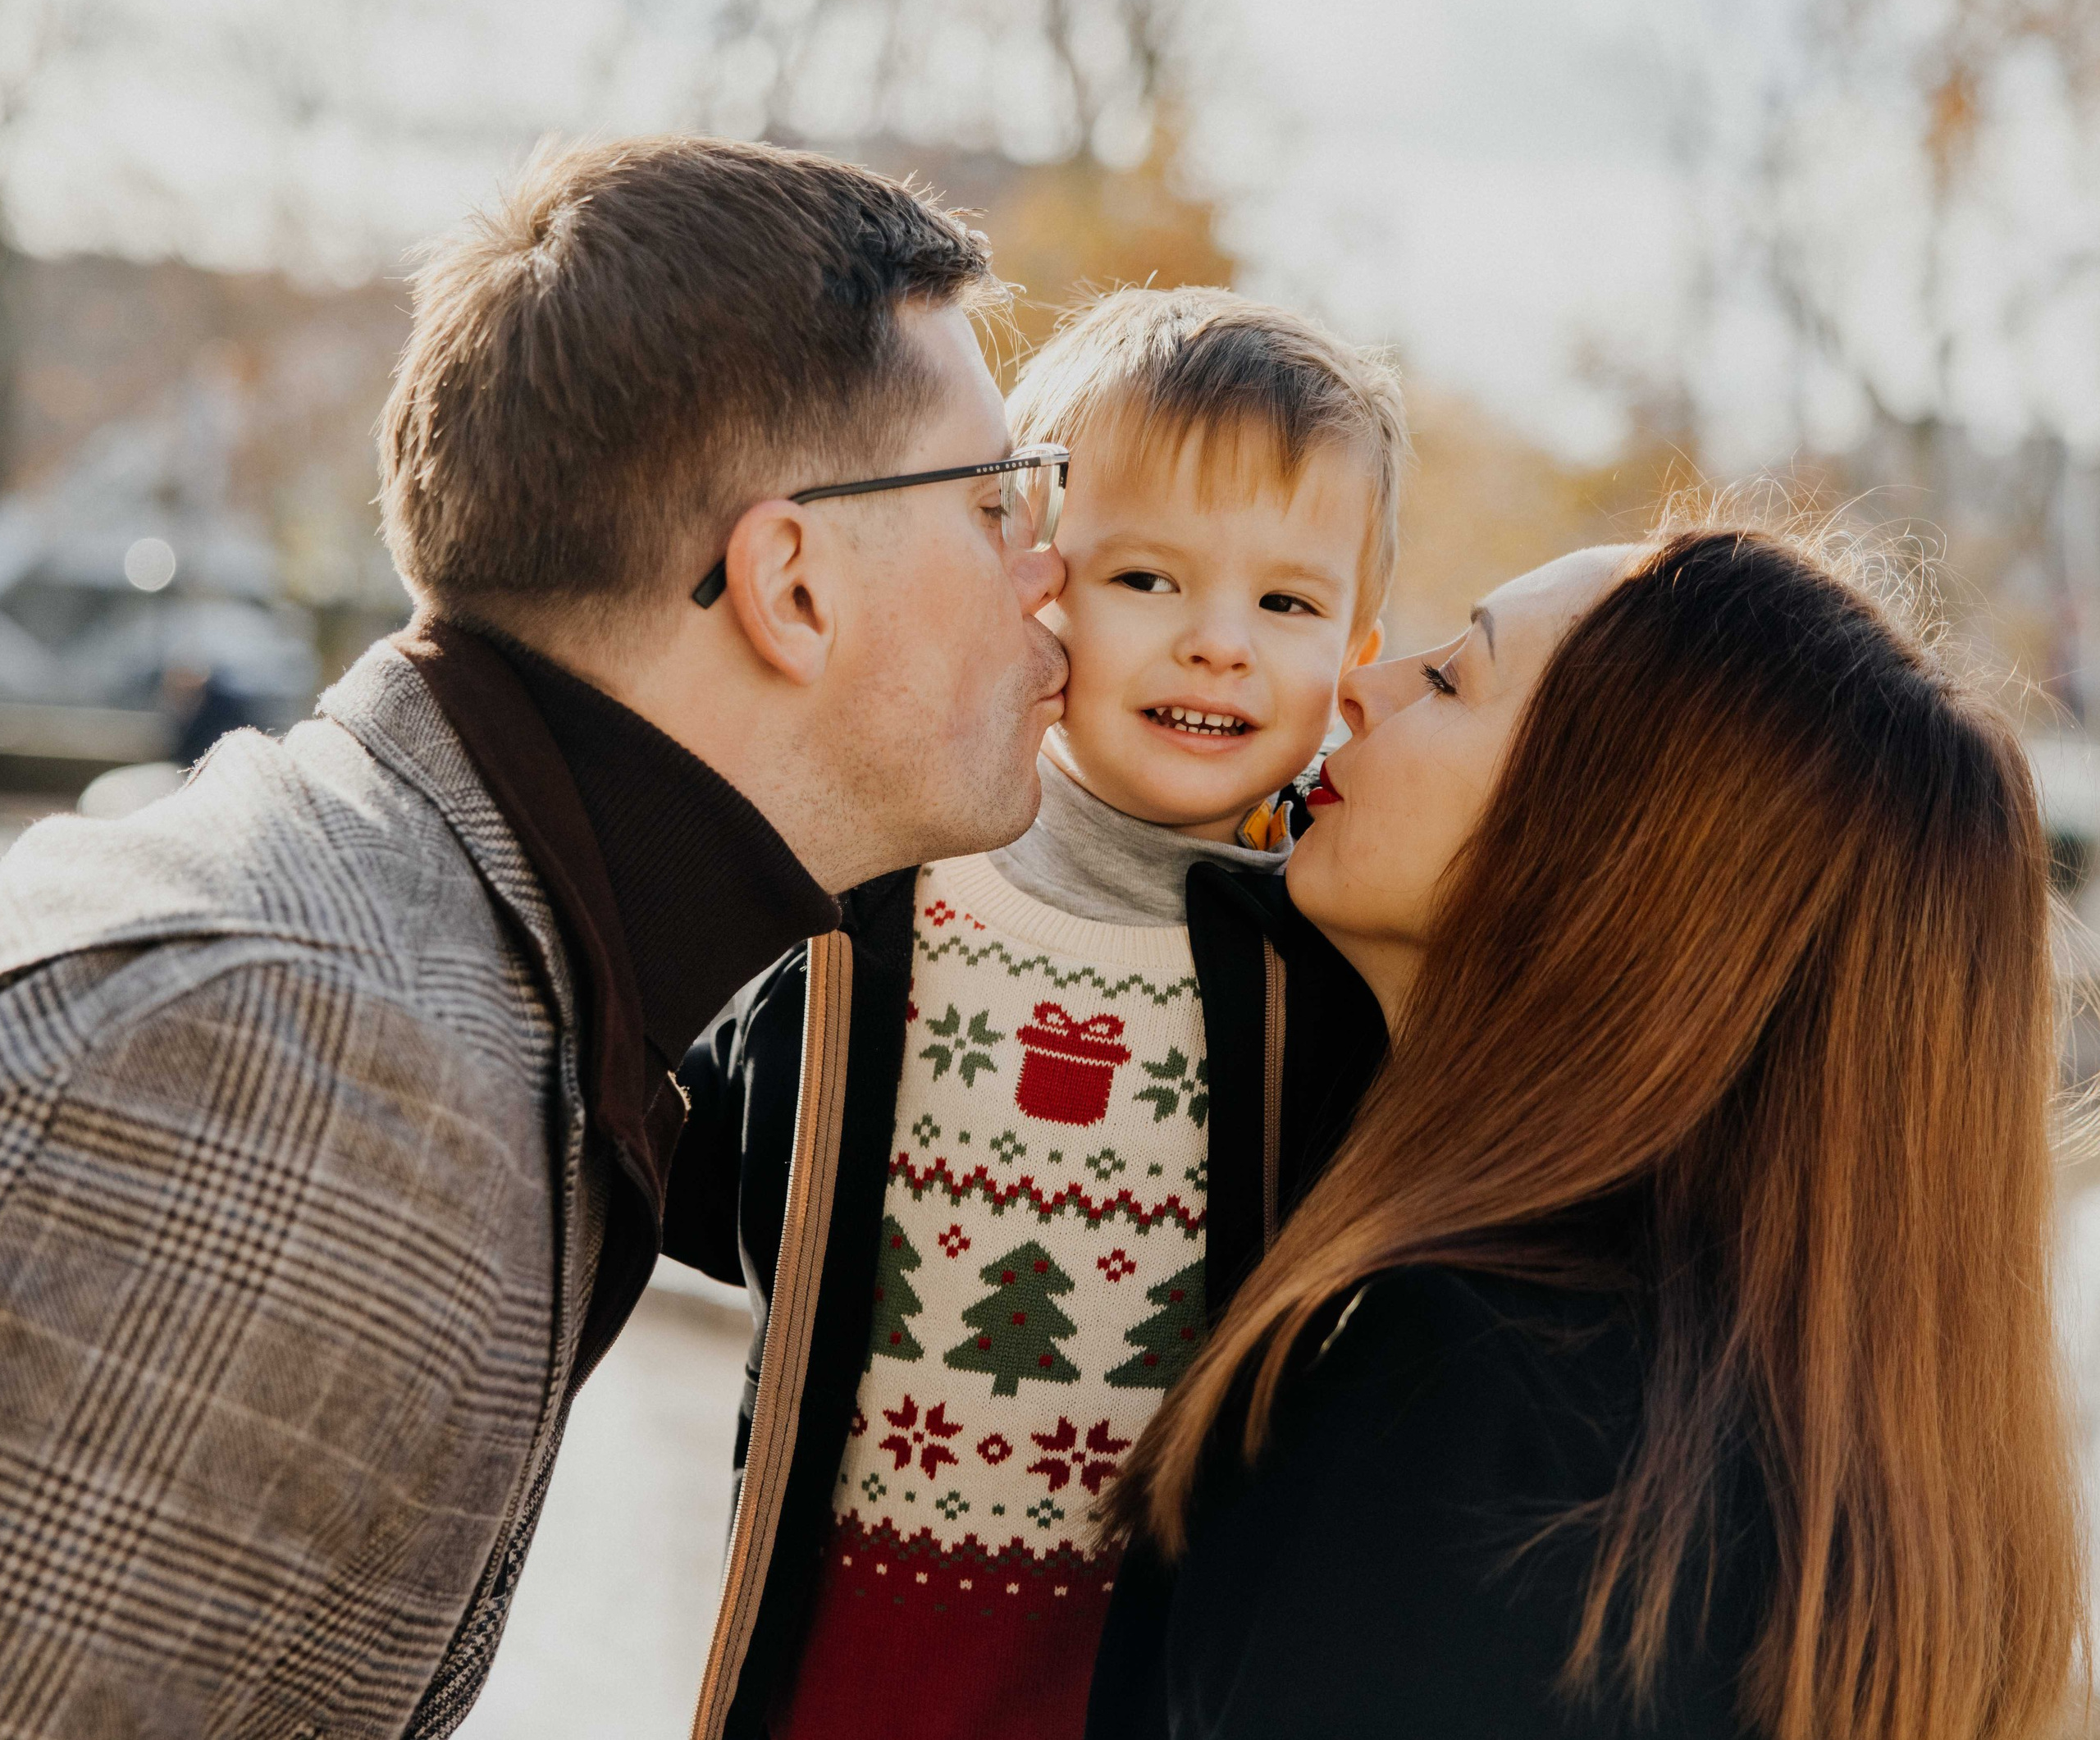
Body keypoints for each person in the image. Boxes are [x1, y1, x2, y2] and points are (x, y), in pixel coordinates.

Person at [0, 136, 1068, 1739]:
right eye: (995, 499)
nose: (1050, 571)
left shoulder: (417, 954)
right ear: (789, 580)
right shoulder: (316, 1065)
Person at [1089, 525, 2085, 1740]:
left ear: (1611, 860)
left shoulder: (1473, 1397)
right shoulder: (1810, 1451)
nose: (1362, 680)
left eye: (1455, 676)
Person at [664, 287, 1405, 1740]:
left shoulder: (1322, 980)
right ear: (1034, 579)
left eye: (1288, 602)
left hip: (1127, 1680)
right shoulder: (880, 898)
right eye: (1148, 581)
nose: (1218, 644)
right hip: (838, 1645)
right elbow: (688, 1161)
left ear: (1357, 656)